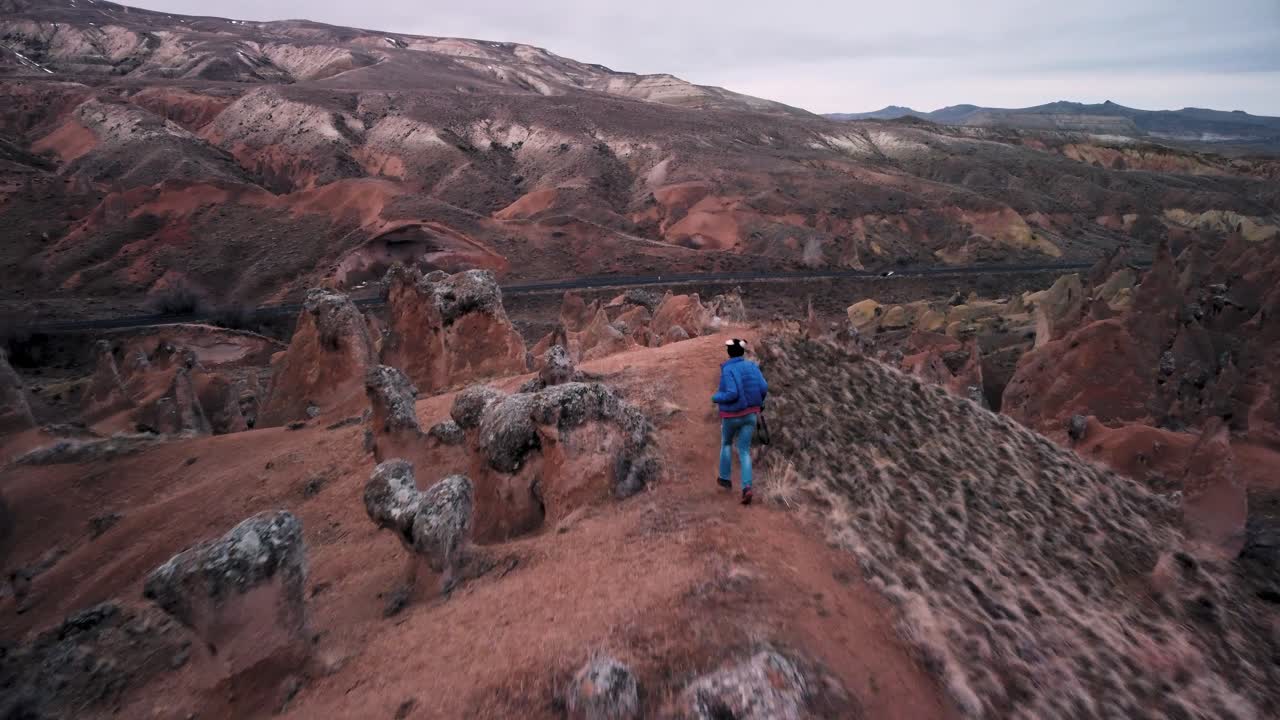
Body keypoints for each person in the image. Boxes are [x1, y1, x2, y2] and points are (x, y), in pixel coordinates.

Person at [712, 338, 768, 505]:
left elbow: (732, 393)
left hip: (731, 415)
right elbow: (763, 387)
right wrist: (759, 402)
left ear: (729, 353)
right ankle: (747, 488)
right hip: (750, 415)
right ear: (742, 352)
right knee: (744, 450)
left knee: (727, 444)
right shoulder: (752, 367)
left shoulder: (728, 369)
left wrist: (716, 397)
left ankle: (725, 478)